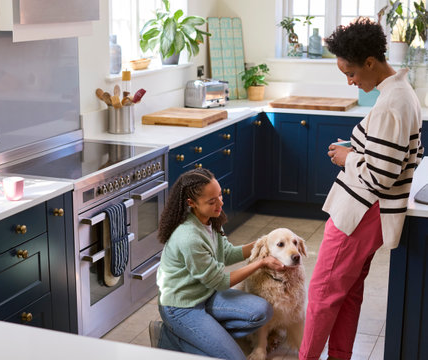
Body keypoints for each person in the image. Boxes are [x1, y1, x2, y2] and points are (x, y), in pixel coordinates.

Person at [299, 17, 423, 360]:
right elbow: (396, 157)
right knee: (348, 292)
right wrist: (360, 152)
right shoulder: (403, 93)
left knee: (323, 293)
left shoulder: (390, 103)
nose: (351, 81)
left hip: (359, 211)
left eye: (351, 73)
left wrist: (347, 158)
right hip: (371, 212)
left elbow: (381, 176)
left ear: (371, 62)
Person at [149, 168, 285, 359]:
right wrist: (261, 262)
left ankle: (203, 334)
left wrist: (265, 242)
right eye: (212, 201)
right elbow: (221, 282)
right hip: (180, 308)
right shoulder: (189, 237)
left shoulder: (209, 221)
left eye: (220, 195)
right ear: (191, 203)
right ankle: (170, 338)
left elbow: (227, 254)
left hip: (206, 295)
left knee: (262, 311)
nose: (220, 203)